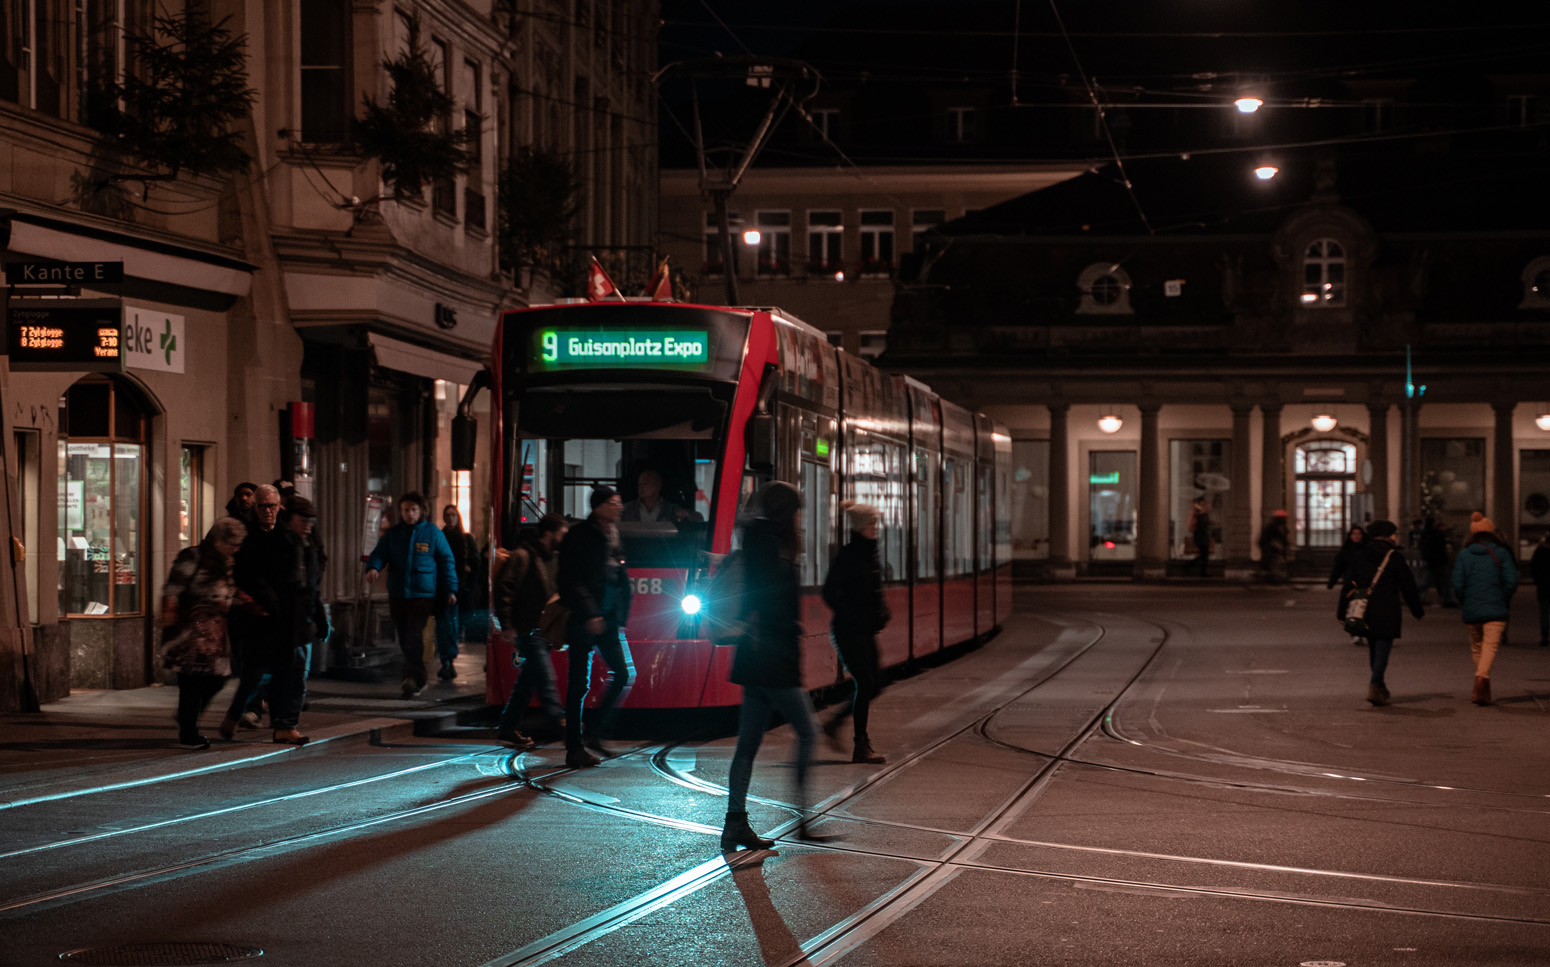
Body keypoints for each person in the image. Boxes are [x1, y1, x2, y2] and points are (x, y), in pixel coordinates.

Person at [721, 481, 829, 852]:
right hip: (772, 655)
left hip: (757, 656)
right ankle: (801, 821)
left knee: (747, 744)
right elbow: (769, 602)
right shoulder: (770, 546)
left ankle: (735, 823)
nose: (800, 517)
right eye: (797, 510)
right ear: (787, 512)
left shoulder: (761, 541)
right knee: (808, 732)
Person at [224, 496, 324, 745]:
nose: (308, 526)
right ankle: (236, 714)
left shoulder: (309, 546)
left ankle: (285, 725)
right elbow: (254, 577)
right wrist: (273, 605)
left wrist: (320, 617)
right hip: (271, 622)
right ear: (291, 520)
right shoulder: (273, 544)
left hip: (298, 622)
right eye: (304, 521)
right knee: (257, 675)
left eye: (311, 521)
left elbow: (311, 586)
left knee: (294, 676)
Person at [557, 486, 635, 768]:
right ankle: (574, 747)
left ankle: (593, 732)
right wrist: (590, 613)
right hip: (584, 619)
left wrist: (619, 613)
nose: (619, 508)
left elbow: (617, 575)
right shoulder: (580, 536)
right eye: (614, 503)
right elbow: (570, 580)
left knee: (623, 673)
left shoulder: (612, 533)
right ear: (599, 506)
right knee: (579, 684)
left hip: (608, 618)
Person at [161, 517, 247, 749]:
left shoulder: (225, 562)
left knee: (217, 680)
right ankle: (189, 733)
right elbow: (173, 589)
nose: (236, 549)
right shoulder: (193, 556)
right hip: (190, 633)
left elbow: (227, 591)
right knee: (191, 685)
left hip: (214, 634)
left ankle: (187, 722)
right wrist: (170, 617)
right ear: (219, 540)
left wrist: (246, 602)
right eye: (233, 544)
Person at [365, 492, 458, 698]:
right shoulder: (394, 534)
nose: (409, 514)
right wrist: (374, 567)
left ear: (422, 511)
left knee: (414, 635)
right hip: (398, 592)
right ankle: (420, 677)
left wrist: (451, 589)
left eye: (413, 510)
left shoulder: (433, 533)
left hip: (423, 594)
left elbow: (446, 561)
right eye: (406, 510)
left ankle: (410, 679)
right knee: (404, 636)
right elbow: (380, 553)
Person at [820, 502, 889, 764]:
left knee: (877, 682)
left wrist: (880, 611)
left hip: (864, 630)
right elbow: (829, 591)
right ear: (860, 527)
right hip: (848, 630)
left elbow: (871, 590)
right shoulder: (849, 555)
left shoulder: (869, 553)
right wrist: (850, 613)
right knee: (867, 682)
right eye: (871, 524)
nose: (875, 528)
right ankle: (860, 745)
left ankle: (835, 724)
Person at [493, 514, 569, 750]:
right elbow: (504, 590)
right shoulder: (522, 556)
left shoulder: (554, 559)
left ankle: (507, 727)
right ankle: (561, 723)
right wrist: (506, 625)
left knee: (528, 681)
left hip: (545, 629)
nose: (564, 538)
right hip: (527, 628)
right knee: (545, 676)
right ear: (549, 533)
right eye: (562, 533)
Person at [220, 485, 283, 734]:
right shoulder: (244, 535)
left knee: (284, 669)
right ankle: (242, 712)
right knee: (254, 670)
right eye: (262, 506)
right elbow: (238, 572)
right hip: (252, 613)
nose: (267, 511)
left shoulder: (287, 534)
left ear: (279, 507)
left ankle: (282, 721)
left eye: (272, 506)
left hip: (280, 614)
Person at [1340, 519, 1423, 707]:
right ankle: (1376, 684)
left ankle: (1379, 684)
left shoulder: (1361, 555)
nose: (1395, 536)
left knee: (1373, 646)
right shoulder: (1394, 557)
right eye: (1393, 533)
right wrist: (1416, 610)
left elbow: (1349, 584)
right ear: (1387, 535)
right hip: (1387, 609)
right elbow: (1408, 586)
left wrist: (1341, 612)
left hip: (1365, 610)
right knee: (1383, 648)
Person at [1451, 512, 1518, 706]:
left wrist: (1464, 600)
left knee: (1477, 646)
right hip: (1496, 608)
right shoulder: (1502, 552)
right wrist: (1503, 597)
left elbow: (1457, 583)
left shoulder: (1464, 554)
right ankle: (1481, 682)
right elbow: (1511, 581)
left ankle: (1482, 687)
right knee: (1490, 646)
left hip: (1471, 608)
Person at [438, 505, 480, 680]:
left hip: (461, 590)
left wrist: (469, 585)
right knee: (445, 626)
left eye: (453, 515)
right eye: (447, 515)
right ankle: (447, 661)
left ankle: (449, 659)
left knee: (456, 625)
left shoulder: (466, 539)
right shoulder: (440, 537)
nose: (450, 518)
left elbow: (477, 564)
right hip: (443, 589)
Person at [1328, 524, 1367, 644]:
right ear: (1350, 536)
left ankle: (1365, 631)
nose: (1356, 536)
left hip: (1364, 584)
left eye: (1359, 534)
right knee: (1352, 609)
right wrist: (1332, 582)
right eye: (1354, 534)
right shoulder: (1345, 551)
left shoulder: (1366, 550)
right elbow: (1337, 568)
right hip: (1350, 584)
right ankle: (1355, 633)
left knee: (1364, 608)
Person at [621, 469, 703, 523]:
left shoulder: (671, 510)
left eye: (645, 484)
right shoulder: (627, 509)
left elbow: (699, 519)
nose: (641, 487)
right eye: (639, 484)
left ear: (658, 486)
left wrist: (686, 515)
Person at [1420, 517, 1456, 607]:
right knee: (1445, 581)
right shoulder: (1437, 535)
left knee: (1428, 582)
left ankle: (1416, 596)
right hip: (1439, 561)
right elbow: (1440, 550)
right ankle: (1447, 600)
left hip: (1432, 562)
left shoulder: (1427, 534)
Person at [1256, 510, 1290, 584]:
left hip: (1269, 543)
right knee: (1275, 559)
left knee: (1275, 558)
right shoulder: (1275, 526)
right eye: (1283, 518)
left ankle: (1272, 575)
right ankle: (1271, 576)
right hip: (1266, 544)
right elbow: (1280, 536)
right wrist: (1286, 544)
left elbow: (1283, 535)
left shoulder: (1278, 525)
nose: (1284, 520)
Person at [1532, 533, 1550, 649]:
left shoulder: (1539, 551)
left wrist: (1537, 580)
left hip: (1543, 586)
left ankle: (1544, 635)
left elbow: (1533, 567)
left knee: (1544, 612)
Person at [1188, 498, 1213, 577]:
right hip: (1201, 537)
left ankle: (1201, 571)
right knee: (1204, 555)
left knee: (1204, 555)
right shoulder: (1200, 514)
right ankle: (1190, 565)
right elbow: (1200, 526)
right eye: (1204, 504)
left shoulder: (1201, 514)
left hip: (1201, 537)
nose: (1207, 505)